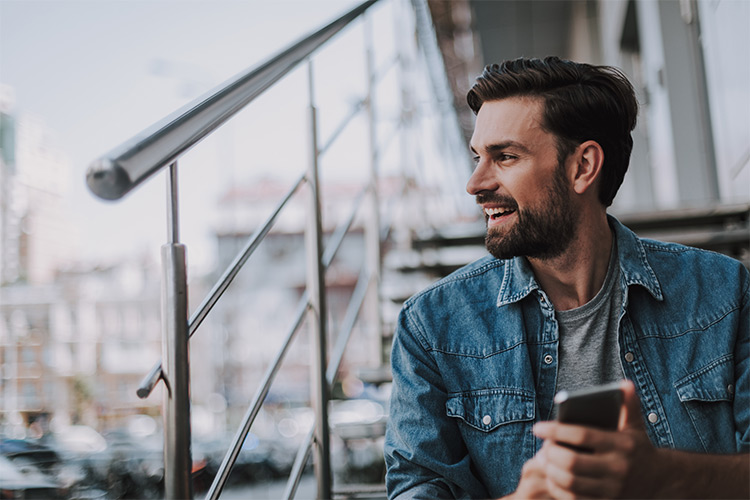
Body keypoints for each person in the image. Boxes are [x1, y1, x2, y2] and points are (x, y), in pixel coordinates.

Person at [384, 56, 749, 499]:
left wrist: (662, 475)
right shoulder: (432, 327)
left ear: (582, 167)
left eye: (505, 156)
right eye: (478, 157)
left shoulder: (726, 293)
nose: (475, 183)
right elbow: (417, 489)